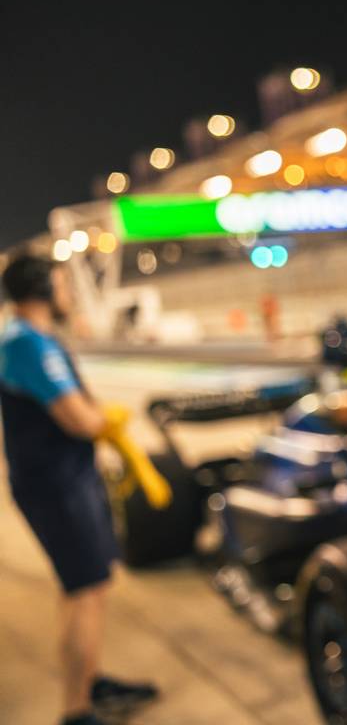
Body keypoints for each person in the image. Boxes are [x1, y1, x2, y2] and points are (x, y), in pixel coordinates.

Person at [0, 255, 158, 725]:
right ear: (42, 290)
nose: (68, 294)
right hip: (58, 488)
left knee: (84, 588)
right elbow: (78, 417)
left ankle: (87, 680)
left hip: (58, 484)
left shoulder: (24, 339)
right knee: (85, 590)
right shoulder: (29, 344)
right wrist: (107, 423)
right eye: (62, 284)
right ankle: (78, 710)